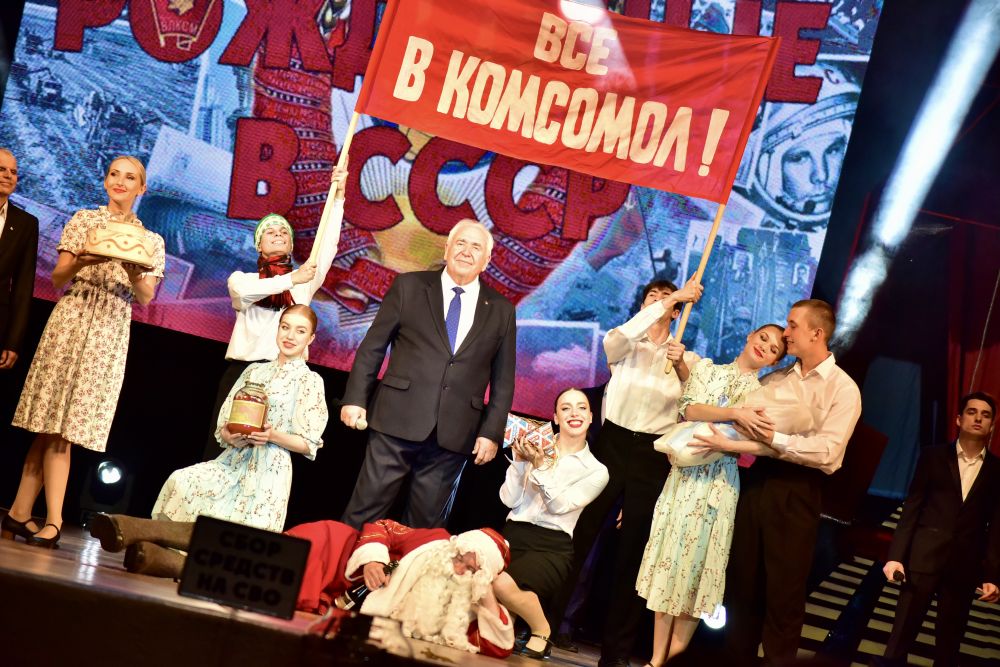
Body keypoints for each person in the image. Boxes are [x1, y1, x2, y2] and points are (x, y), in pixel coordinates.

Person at [2, 156, 164, 549]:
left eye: (130, 177)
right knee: (51, 425)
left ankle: (19, 511)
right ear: (105, 181)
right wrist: (82, 261)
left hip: (108, 331)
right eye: (114, 174)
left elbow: (146, 297)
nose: (120, 182)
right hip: (72, 319)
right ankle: (54, 520)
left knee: (65, 428)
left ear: (141, 188)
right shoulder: (84, 220)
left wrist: (131, 269)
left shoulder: (151, 240)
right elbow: (58, 277)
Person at [691, 299, 862, 665]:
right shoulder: (776, 378)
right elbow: (744, 423)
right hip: (757, 482)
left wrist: (775, 438)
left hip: (798, 491)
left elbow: (828, 453)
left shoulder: (842, 388)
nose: (786, 334)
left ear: (817, 333)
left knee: (783, 594)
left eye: (792, 325)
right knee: (742, 586)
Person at [89, 514, 516, 657]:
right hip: (335, 555)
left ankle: (156, 559)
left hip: (333, 602)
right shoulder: (434, 542)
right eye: (462, 555)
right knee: (258, 551)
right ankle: (134, 527)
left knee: (255, 579)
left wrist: (486, 594)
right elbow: (382, 526)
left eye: (471, 568)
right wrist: (374, 558)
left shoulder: (458, 611)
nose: (459, 566)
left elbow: (500, 646)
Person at [549, 276, 703, 667]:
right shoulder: (624, 343)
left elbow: (693, 405)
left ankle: (615, 652)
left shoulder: (687, 358)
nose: (660, 301)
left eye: (667, 298)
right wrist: (671, 298)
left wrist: (681, 367)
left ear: (679, 312)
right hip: (612, 443)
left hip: (652, 454)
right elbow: (616, 339)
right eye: (653, 296)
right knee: (577, 536)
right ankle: (542, 626)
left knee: (634, 553)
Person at [339, 219, 516, 529]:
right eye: (460, 243)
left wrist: (491, 432)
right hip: (395, 419)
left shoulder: (502, 309)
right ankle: (344, 562)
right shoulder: (409, 286)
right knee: (364, 512)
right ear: (446, 249)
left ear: (487, 260)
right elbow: (373, 347)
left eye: (476, 247)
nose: (466, 251)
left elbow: (503, 379)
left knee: (424, 530)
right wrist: (355, 398)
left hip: (454, 434)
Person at [636, 324, 787, 665]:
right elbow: (690, 409)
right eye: (763, 338)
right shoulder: (706, 369)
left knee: (697, 572)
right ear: (749, 336)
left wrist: (733, 423)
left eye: (774, 349)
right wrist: (734, 413)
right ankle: (656, 659)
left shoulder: (764, 394)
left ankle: (671, 661)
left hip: (720, 482)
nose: (765, 347)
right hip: (683, 476)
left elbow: (753, 437)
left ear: (775, 361)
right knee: (670, 564)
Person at [202, 167, 346, 460]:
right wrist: (292, 279)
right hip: (244, 374)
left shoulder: (304, 281)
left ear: (291, 245)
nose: (278, 234)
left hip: (285, 378)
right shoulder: (243, 280)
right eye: (270, 231)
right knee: (224, 448)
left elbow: (328, 245)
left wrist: (339, 196)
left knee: (268, 451)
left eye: (284, 233)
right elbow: (245, 293)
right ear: (259, 245)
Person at [152, 304, 328, 532]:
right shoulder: (254, 371)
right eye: (285, 327)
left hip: (270, 471)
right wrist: (229, 436)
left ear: (311, 338)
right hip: (233, 460)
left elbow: (308, 443)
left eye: (300, 331)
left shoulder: (310, 381)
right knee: (183, 482)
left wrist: (271, 435)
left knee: (242, 532)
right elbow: (225, 425)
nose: (290, 336)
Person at [874, 392, 1000, 667]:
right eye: (972, 412)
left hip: (964, 567)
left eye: (986, 415)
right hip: (922, 558)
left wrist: (992, 575)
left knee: (948, 647)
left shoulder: (996, 471)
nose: (978, 418)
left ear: (992, 425)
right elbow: (912, 508)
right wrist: (895, 556)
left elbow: (996, 528)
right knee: (899, 640)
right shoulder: (933, 456)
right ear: (958, 419)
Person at [493, 387, 610, 659]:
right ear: (555, 418)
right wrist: (520, 463)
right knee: (481, 588)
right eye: (565, 408)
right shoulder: (534, 445)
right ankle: (505, 629)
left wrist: (541, 466)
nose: (574, 413)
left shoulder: (596, 470)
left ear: (591, 417)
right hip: (513, 535)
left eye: (581, 408)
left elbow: (559, 506)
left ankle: (541, 629)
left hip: (552, 547)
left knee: (501, 584)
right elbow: (509, 499)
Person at [0, 148, 38, 374]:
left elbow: (23, 286)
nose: (8, 175)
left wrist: (13, 341)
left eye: (13, 172)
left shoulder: (26, 224)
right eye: (1, 169)